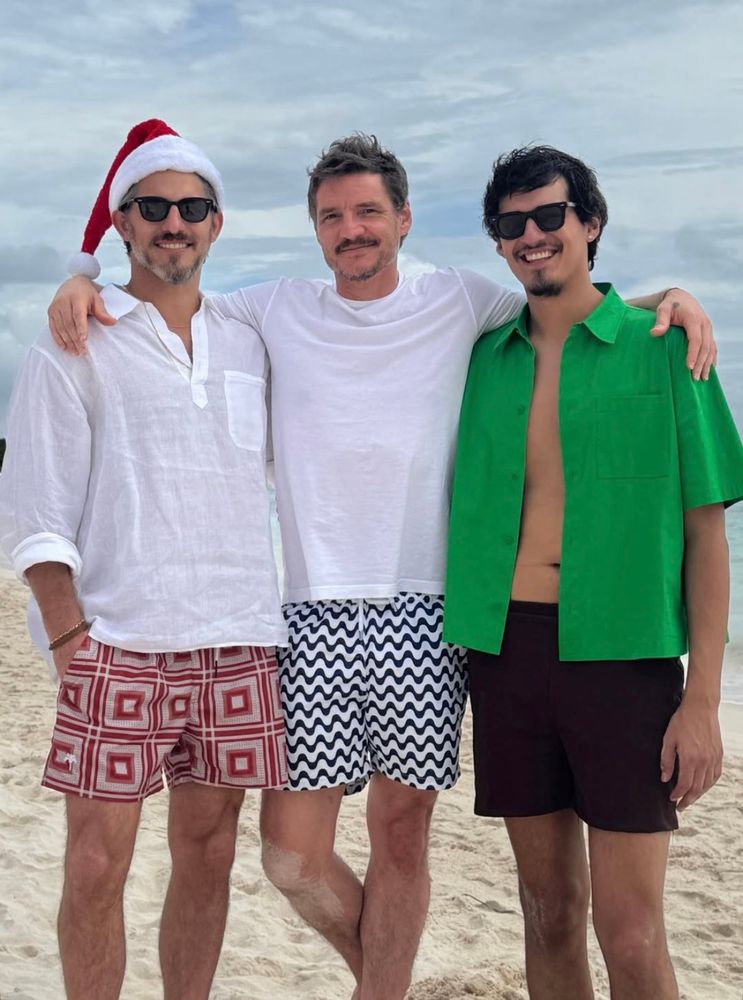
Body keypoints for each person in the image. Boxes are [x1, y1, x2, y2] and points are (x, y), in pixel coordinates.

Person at [46, 134, 717, 1000]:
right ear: (314, 231)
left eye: (368, 211)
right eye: (331, 216)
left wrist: (673, 296)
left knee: (404, 836)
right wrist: (82, 281)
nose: (351, 228)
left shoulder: (459, 300)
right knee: (291, 854)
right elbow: (170, 295)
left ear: (403, 219)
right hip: (312, 612)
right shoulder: (270, 310)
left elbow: (569, 299)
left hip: (428, 612)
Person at [444, 145, 743, 1000]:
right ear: (496, 241)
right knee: (546, 913)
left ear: (590, 224)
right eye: (511, 224)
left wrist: (702, 699)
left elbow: (706, 536)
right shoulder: (480, 357)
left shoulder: (664, 350)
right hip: (505, 653)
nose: (531, 236)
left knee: (631, 932)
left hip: (625, 661)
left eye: (550, 216)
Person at [0, 120, 288, 1000]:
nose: (173, 222)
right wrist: (70, 643)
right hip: (117, 641)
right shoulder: (75, 338)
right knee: (95, 864)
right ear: (121, 222)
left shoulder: (250, 334)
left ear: (216, 224)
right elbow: (36, 509)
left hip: (239, 637)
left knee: (209, 853)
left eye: (192, 208)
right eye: (152, 206)